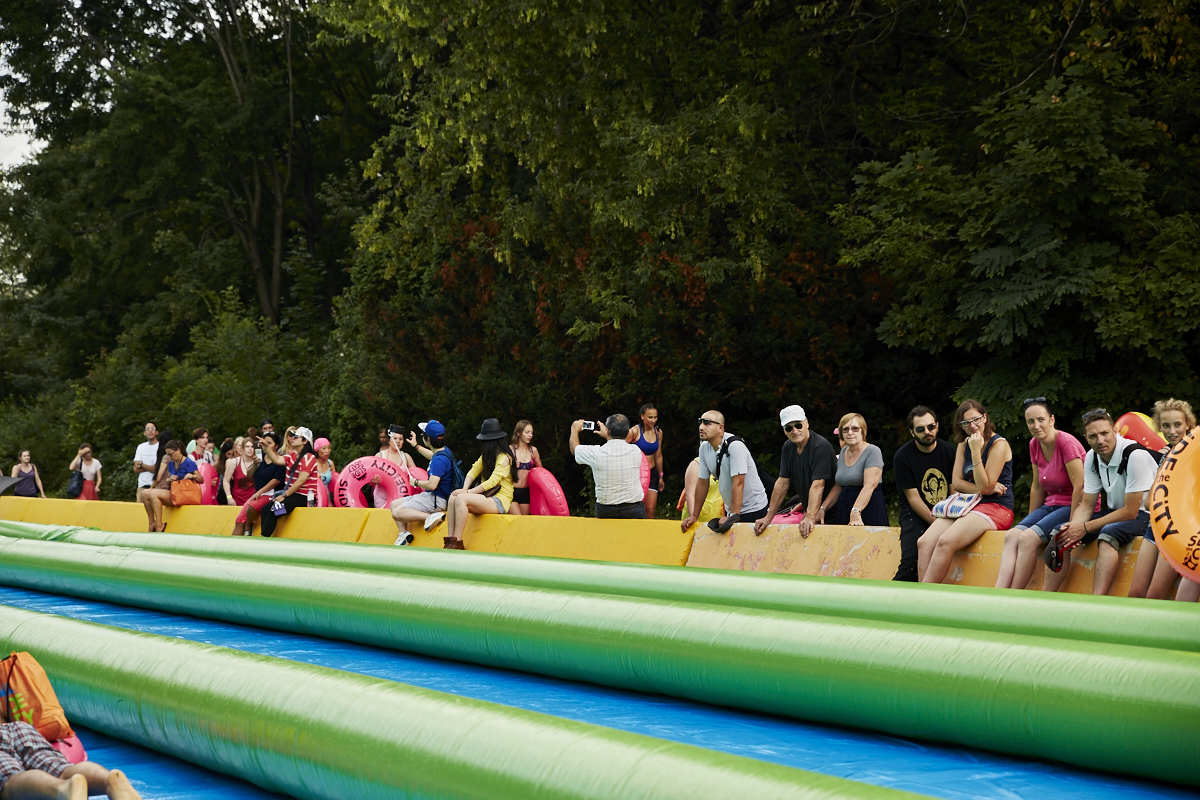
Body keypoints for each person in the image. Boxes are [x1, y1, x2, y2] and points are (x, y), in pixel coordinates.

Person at [1041, 409, 1157, 596]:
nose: (1100, 441)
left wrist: (1085, 528)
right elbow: (1087, 504)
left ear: (1114, 431)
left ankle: (1097, 601)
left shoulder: (1135, 455)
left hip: (1145, 515)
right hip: (1117, 512)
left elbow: (1130, 511)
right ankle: (1043, 597)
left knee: (1107, 535)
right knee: (1060, 534)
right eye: (1093, 436)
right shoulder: (1092, 458)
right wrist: (1073, 528)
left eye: (1105, 433)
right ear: (1086, 438)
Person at [994, 398, 1088, 590]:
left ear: (1051, 419)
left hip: (1073, 504)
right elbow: (1037, 487)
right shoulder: (1034, 444)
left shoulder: (1066, 443)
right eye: (1030, 422)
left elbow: (1081, 487)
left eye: (1041, 419)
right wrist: (1030, 520)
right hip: (1051, 504)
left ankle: (1014, 594)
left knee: (1028, 538)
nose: (1036, 426)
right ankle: (999, 591)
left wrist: (1072, 523)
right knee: (1013, 536)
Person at [918, 400, 1013, 584]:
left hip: (996, 506)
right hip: (968, 504)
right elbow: (958, 483)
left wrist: (976, 453)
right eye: (966, 423)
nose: (972, 426)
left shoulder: (998, 444)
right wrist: (985, 488)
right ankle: (925, 594)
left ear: (984, 417)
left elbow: (985, 487)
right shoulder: (963, 444)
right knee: (924, 542)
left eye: (976, 419)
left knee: (946, 541)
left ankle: (924, 594)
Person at [1129, 398, 1199, 601]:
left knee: (1154, 595)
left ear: (1188, 424)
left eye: (1178, 424)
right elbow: (1148, 502)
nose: (1172, 431)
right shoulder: (1165, 456)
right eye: (1166, 426)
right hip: (1158, 526)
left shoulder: (1197, 455)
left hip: (1182, 532)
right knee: (1135, 592)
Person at [891, 406, 955, 581]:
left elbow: (953, 490)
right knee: (911, 562)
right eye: (920, 429)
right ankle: (891, 600)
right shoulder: (902, 456)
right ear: (912, 432)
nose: (927, 432)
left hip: (947, 513)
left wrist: (948, 520)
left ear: (937, 426)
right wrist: (936, 524)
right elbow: (913, 498)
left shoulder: (950, 451)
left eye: (931, 427)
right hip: (916, 514)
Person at [0, 720, 142, 799]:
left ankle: (62, 789)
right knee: (61, 769)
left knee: (9, 781)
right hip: (18, 727)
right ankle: (108, 780)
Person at [754, 406, 837, 538]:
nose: (795, 431)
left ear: (807, 423)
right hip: (813, 511)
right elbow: (782, 483)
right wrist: (768, 517)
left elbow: (818, 485)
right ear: (784, 431)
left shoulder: (820, 446)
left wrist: (810, 516)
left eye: (798, 425)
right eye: (789, 428)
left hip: (833, 512)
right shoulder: (788, 446)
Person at [682, 411, 769, 533]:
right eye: (700, 422)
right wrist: (694, 517)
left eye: (707, 423)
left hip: (754, 509)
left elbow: (738, 483)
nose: (701, 427)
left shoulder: (735, 446)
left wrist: (733, 516)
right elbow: (702, 482)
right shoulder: (704, 447)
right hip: (731, 510)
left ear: (720, 427)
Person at [443, 419, 516, 549]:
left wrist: (468, 492)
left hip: (499, 500)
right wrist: (464, 488)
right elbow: (473, 470)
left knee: (461, 498)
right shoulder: (487, 455)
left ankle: (458, 542)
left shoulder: (504, 458)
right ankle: (450, 540)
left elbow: (493, 481)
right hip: (486, 497)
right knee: (454, 496)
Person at [392, 420, 456, 543]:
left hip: (437, 499)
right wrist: (416, 445)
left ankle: (430, 517)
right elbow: (432, 455)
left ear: (428, 439)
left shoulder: (439, 461)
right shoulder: (444, 452)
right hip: (434, 496)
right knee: (394, 504)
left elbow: (432, 485)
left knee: (397, 512)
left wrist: (416, 482)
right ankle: (404, 534)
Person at [571, 414, 645, 519]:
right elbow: (616, 446)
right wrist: (608, 435)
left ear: (608, 431)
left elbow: (574, 449)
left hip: (606, 510)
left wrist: (574, 429)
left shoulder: (596, 453)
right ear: (627, 432)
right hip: (633, 509)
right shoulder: (636, 451)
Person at [819, 413, 887, 526]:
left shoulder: (873, 451)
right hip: (844, 508)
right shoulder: (843, 451)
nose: (850, 432)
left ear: (863, 431)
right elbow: (840, 485)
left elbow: (870, 485)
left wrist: (856, 511)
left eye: (855, 428)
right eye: (845, 429)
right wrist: (823, 509)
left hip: (868, 509)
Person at [259, 427, 319, 538]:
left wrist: (284, 495)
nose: (293, 438)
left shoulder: (309, 457)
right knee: (265, 509)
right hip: (292, 495)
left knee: (274, 511)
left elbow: (301, 481)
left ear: (305, 441)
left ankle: (264, 539)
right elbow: (276, 460)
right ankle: (265, 538)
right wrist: (266, 448)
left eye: (297, 437)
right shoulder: (292, 455)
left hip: (303, 497)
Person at [231, 431, 284, 536]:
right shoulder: (260, 458)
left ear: (277, 445)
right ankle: (231, 547)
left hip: (272, 494)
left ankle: (249, 525)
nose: (265, 446)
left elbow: (276, 480)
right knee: (239, 520)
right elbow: (249, 475)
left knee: (252, 507)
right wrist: (255, 465)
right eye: (263, 443)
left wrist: (259, 492)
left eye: (269, 443)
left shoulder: (280, 460)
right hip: (258, 494)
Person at [141, 440, 200, 532]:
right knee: (145, 493)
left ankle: (159, 525)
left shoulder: (188, 462)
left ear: (178, 451)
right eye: (168, 455)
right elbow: (168, 482)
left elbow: (201, 479)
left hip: (183, 493)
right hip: (174, 491)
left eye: (171, 454)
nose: (169, 457)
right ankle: (152, 522)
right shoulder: (171, 463)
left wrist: (192, 476)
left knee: (154, 494)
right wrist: (170, 480)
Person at [630, 404, 665, 518]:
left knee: (650, 510)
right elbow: (621, 448)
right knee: (635, 509)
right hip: (636, 474)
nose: (653, 420)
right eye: (650, 417)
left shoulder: (658, 432)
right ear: (642, 416)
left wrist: (660, 476)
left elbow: (658, 455)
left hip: (651, 473)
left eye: (655, 417)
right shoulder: (634, 431)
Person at [374, 425, 417, 508]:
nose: (398, 441)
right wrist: (374, 481)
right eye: (395, 438)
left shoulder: (406, 457)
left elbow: (416, 476)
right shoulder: (380, 456)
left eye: (400, 439)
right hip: (381, 497)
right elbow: (370, 480)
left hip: (401, 498)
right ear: (389, 441)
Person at [508, 420, 543, 515]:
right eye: (527, 432)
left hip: (526, 492)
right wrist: (513, 466)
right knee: (518, 519)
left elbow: (542, 472)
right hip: (512, 491)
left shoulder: (533, 451)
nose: (530, 435)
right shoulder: (510, 450)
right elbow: (500, 471)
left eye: (531, 433)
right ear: (519, 433)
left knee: (523, 522)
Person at [678, 457, 723, 526]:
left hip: (717, 520)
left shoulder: (725, 464)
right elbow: (690, 495)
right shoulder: (696, 464)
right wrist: (693, 518)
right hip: (697, 517)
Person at [133, 422, 160, 524]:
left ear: (156, 432)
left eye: (152, 428)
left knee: (156, 513)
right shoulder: (140, 447)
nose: (150, 431)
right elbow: (135, 469)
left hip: (156, 486)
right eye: (147, 429)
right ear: (144, 433)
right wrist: (151, 467)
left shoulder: (160, 447)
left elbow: (157, 469)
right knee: (140, 514)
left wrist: (142, 465)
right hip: (142, 486)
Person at [223, 437, 258, 508]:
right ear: (242, 449)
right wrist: (229, 497)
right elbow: (226, 481)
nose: (250, 448)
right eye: (247, 446)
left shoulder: (257, 463)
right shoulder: (234, 462)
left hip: (253, 500)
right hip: (237, 500)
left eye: (252, 446)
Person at [213, 437, 235, 504]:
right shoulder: (217, 465)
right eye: (228, 454)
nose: (230, 456)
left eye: (232, 454)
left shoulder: (237, 462)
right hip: (222, 495)